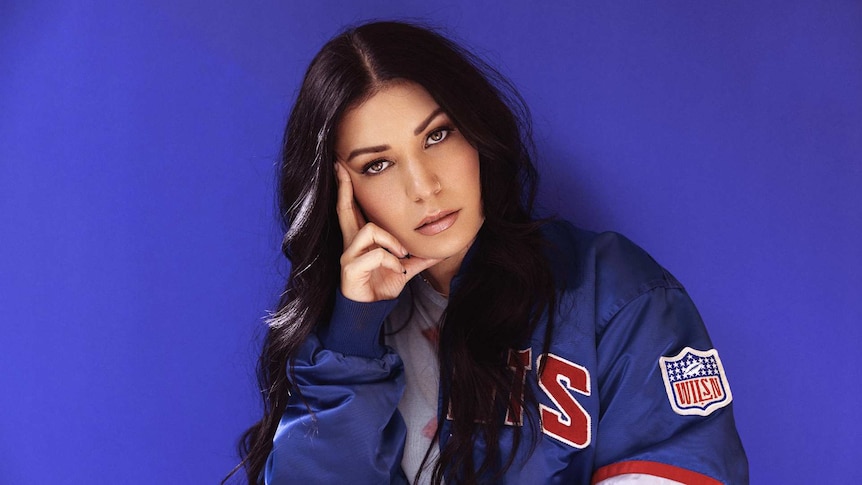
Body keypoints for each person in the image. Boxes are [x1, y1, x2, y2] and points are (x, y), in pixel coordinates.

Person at [230, 21, 749, 485]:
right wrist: (352, 338)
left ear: (476, 132)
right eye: (377, 166)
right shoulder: (334, 343)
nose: (423, 186)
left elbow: (682, 465)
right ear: (342, 193)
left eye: (437, 135)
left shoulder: (617, 294)